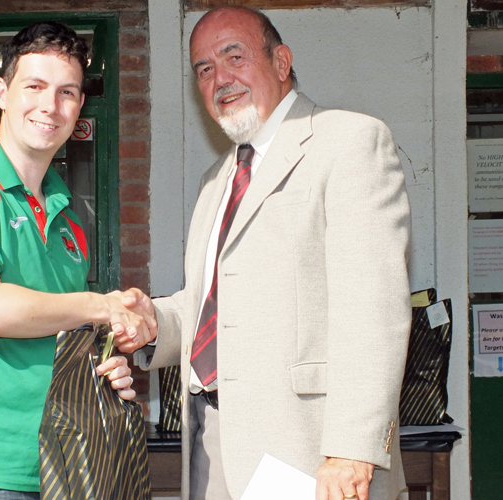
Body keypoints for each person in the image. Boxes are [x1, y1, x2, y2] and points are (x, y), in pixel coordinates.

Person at [121, 6, 411, 500]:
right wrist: (152, 322)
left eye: (234, 56)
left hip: (308, 450)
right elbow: (209, 306)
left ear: (281, 62)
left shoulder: (349, 141)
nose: (220, 78)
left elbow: (374, 308)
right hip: (210, 444)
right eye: (204, 69)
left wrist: (351, 450)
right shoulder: (217, 180)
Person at [0, 22, 152, 500]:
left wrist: (105, 365)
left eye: (67, 92)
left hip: (67, 464)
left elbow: (57, 334)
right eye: (34, 87)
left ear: (80, 105)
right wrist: (100, 306)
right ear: (2, 92)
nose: (50, 106)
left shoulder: (69, 217)